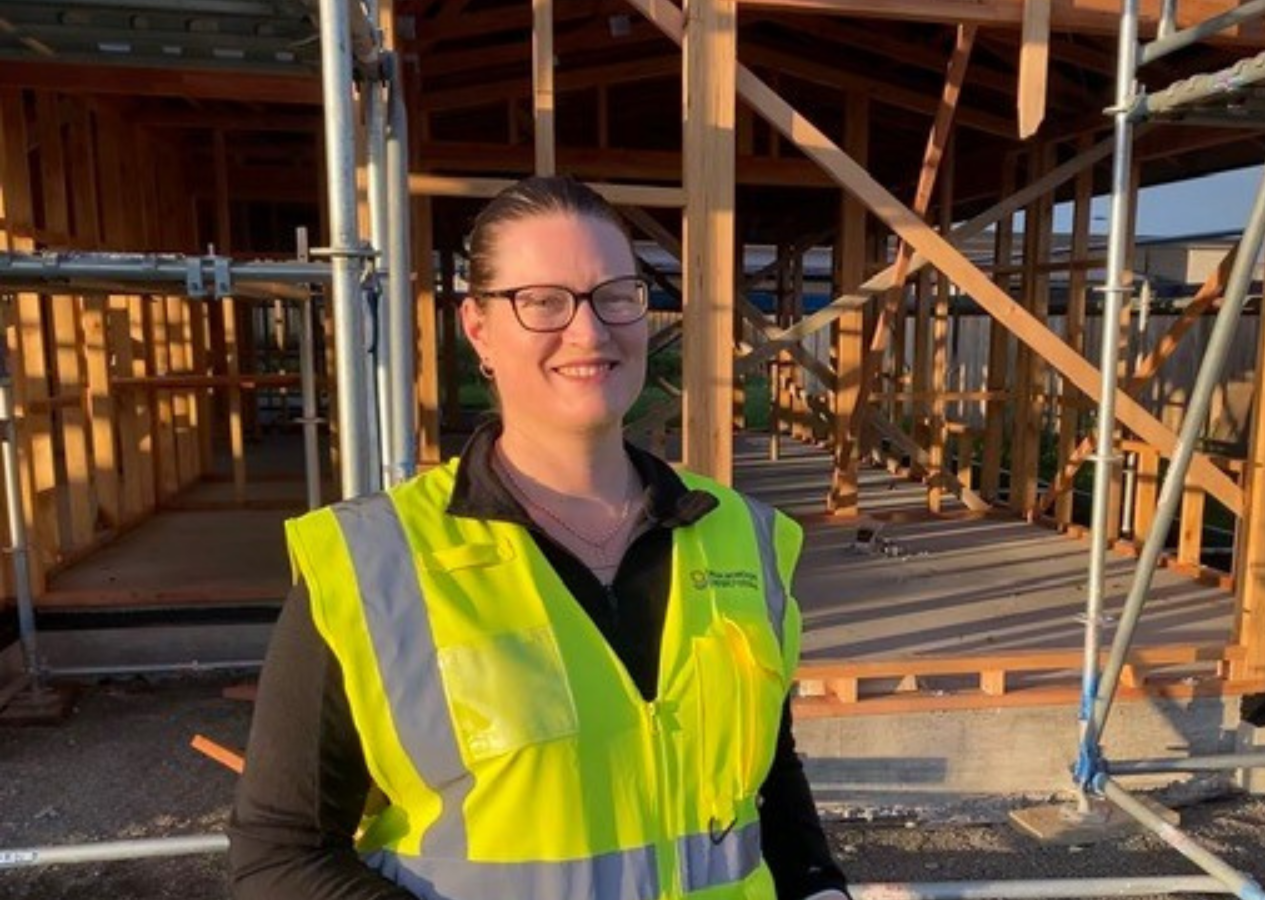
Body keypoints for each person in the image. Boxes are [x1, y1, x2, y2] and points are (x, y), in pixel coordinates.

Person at [229, 175, 850, 900]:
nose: (588, 332)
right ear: (479, 328)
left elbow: (766, 772)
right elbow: (279, 857)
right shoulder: (372, 567)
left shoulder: (741, 534)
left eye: (614, 294)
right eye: (543, 301)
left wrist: (819, 885)